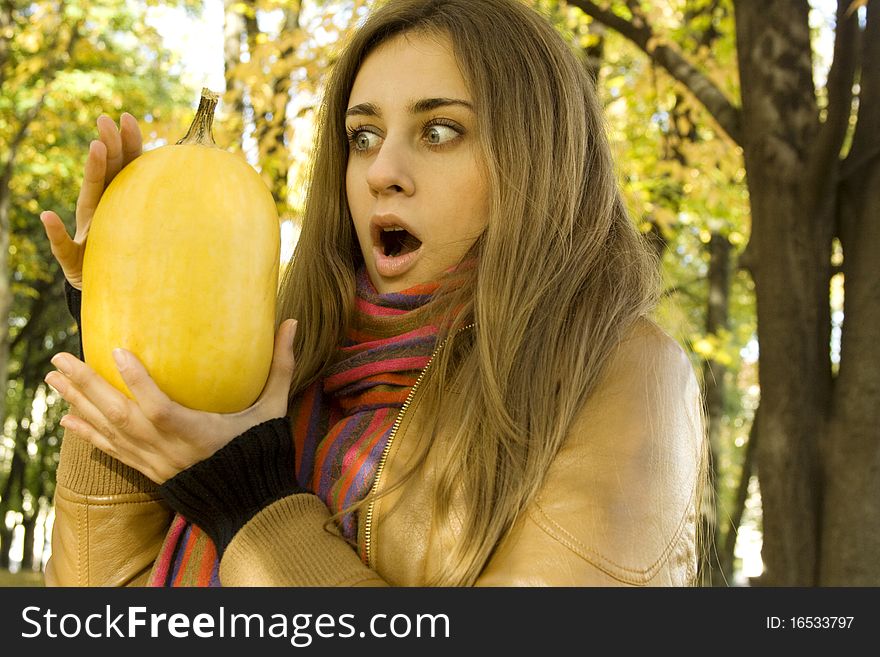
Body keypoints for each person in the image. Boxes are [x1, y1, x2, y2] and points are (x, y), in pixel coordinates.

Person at [40, 0, 706, 587]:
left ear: (537, 160)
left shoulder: (621, 371)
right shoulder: (280, 360)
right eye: (363, 136)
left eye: (439, 131)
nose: (383, 172)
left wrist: (254, 505)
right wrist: (122, 314)